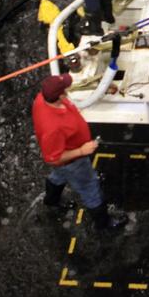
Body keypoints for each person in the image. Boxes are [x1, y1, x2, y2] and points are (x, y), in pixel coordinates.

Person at [33, 73, 125, 230]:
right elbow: (53, 159)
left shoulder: (43, 98)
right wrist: (82, 151)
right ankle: (103, 223)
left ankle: (52, 200)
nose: (68, 89)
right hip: (72, 162)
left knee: (59, 175)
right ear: (60, 96)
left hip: (67, 157)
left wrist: (102, 90)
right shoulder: (52, 128)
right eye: (65, 88)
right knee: (90, 188)